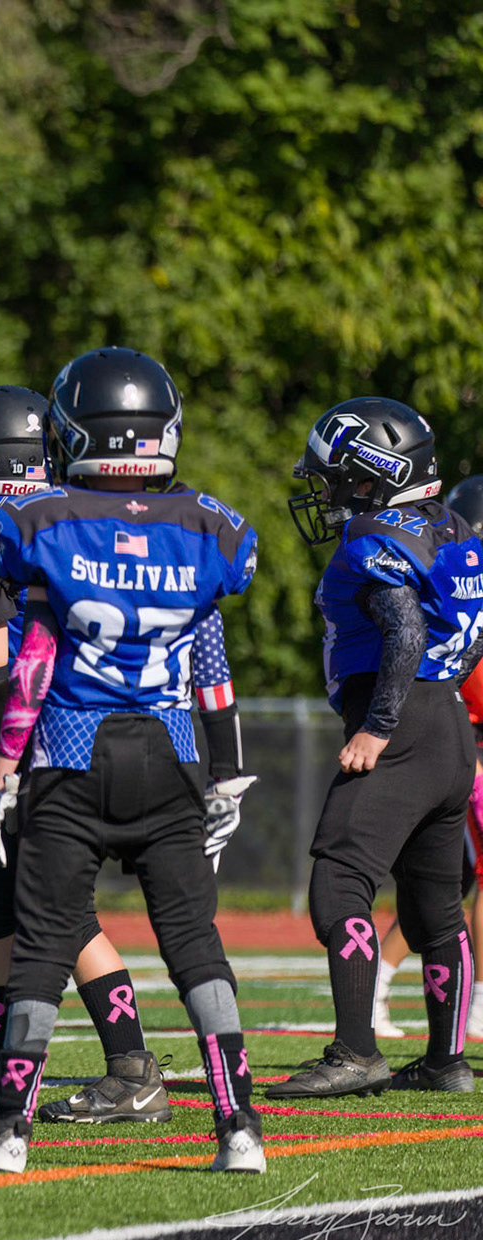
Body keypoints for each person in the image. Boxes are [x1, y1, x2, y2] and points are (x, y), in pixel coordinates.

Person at [0, 347, 264, 1175]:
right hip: (171, 750)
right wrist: (227, 772)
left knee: (44, 944)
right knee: (193, 941)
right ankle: (239, 1128)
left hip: (72, 749)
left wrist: (6, 763)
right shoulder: (211, 526)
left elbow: (31, 649)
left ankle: (6, 1132)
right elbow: (210, 654)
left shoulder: (39, 520)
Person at [270, 397, 482, 1098]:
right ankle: (447, 1061)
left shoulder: (375, 536)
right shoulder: (454, 527)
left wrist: (380, 723)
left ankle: (357, 1051)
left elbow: (406, 632)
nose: (328, 491)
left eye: (338, 477)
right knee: (435, 906)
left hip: (402, 722)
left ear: (377, 474)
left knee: (339, 879)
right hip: (449, 724)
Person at [371, 474, 483, 1043]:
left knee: (444, 889)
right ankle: (478, 1003)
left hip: (452, 747)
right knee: (460, 884)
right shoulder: (452, 601)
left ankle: (376, 984)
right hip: (466, 752)